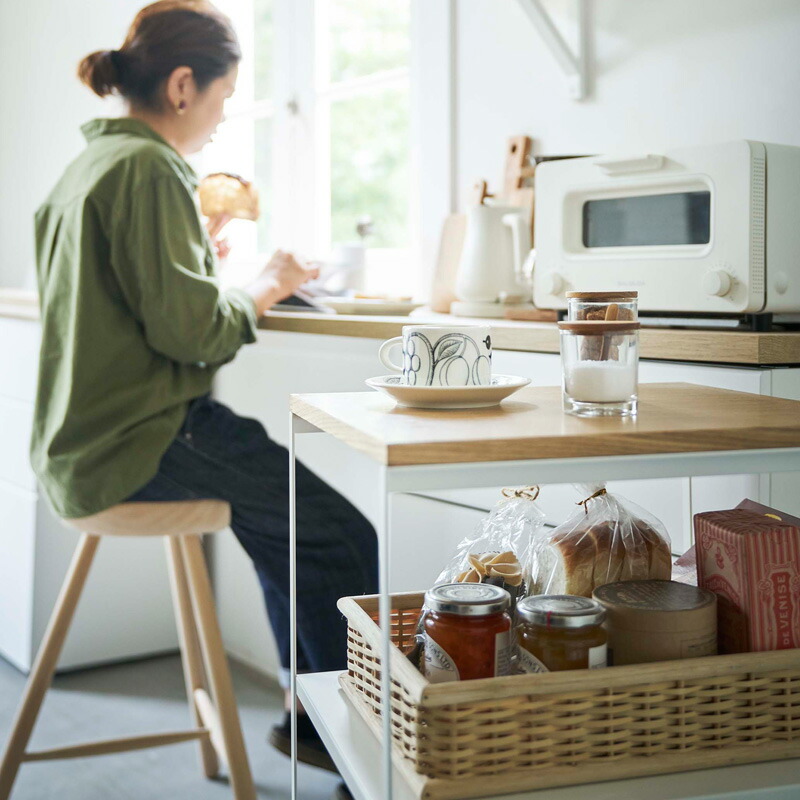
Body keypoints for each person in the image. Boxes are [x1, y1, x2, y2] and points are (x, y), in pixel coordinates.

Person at [31, 0, 377, 779]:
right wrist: (265, 281)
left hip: (80, 446)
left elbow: (130, 304)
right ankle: (338, 734)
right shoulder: (151, 168)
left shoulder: (88, 166)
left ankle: (305, 711)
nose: (222, 120)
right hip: (142, 437)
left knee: (284, 521)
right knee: (343, 534)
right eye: (222, 99)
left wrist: (198, 258)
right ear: (183, 86)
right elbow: (194, 336)